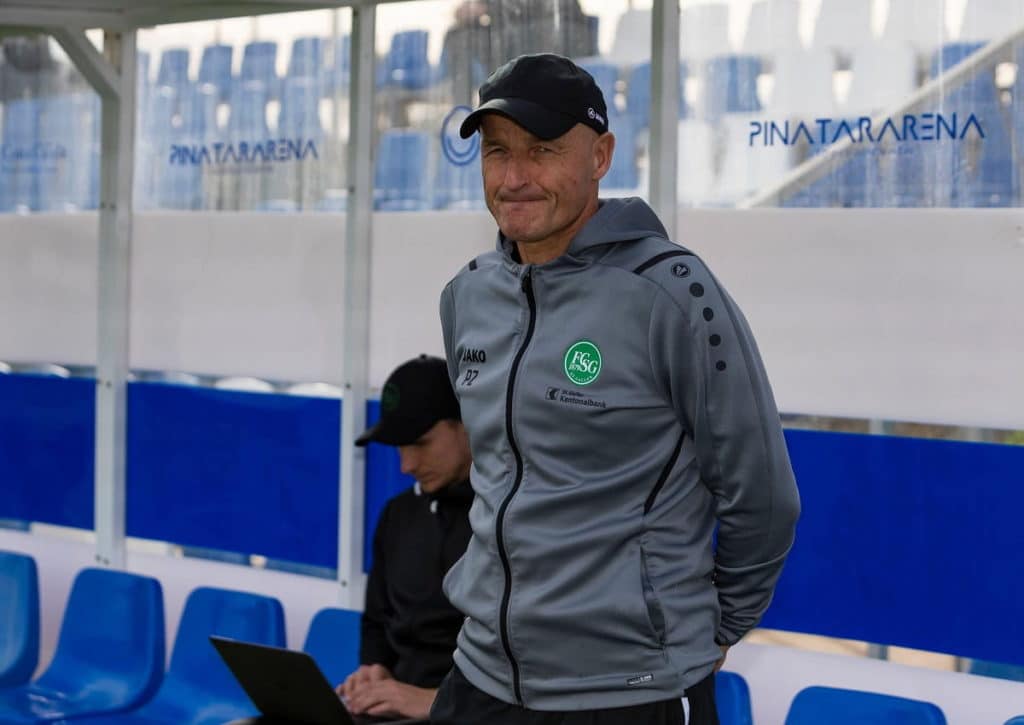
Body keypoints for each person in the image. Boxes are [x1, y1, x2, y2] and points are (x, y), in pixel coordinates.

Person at [432, 54, 801, 725]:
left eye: (543, 150)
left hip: (628, 691)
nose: (514, 177)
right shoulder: (468, 294)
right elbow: (499, 478)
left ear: (600, 156)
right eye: (496, 152)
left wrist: (711, 630)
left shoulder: (674, 294)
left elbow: (764, 496)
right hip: (480, 680)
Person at [338, 355, 474, 723]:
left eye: (420, 443)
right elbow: (376, 620)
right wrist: (374, 670)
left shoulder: (507, 524)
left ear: (467, 424)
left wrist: (433, 701)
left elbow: (527, 660)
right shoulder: (397, 515)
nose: (407, 465)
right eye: (400, 447)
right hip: (393, 711)